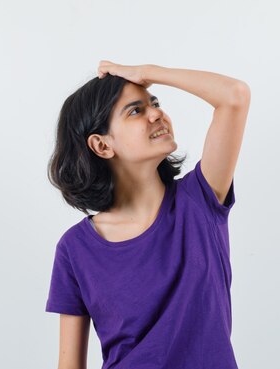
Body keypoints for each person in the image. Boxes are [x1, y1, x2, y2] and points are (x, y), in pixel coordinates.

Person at [45, 61, 250, 369]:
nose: (156, 113)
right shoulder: (75, 249)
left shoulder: (200, 201)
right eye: (135, 111)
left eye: (155, 103)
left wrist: (147, 73)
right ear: (101, 145)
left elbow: (234, 96)